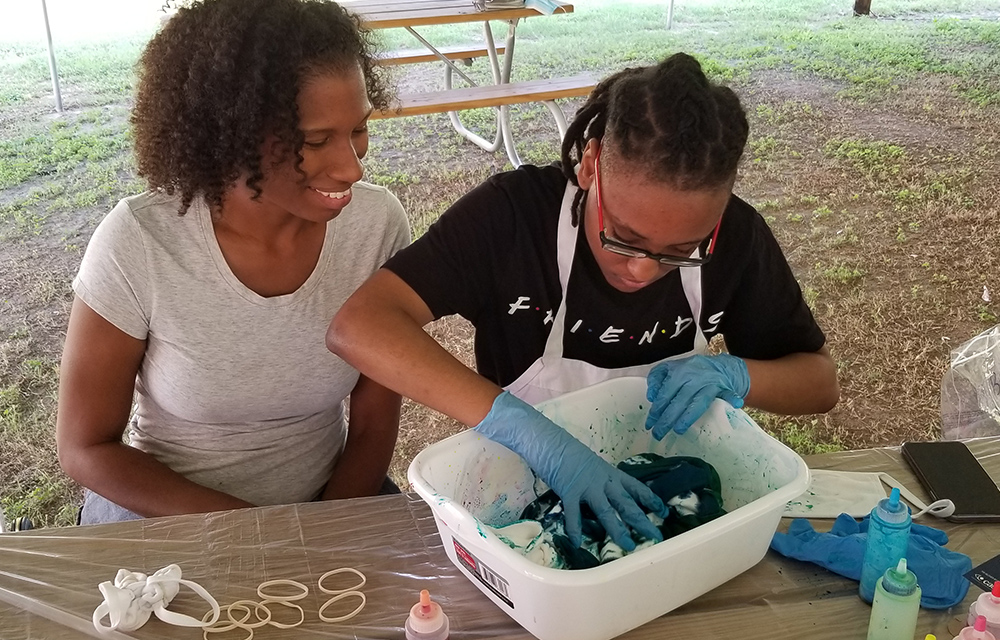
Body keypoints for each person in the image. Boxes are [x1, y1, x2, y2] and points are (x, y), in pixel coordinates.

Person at [328, 53, 839, 550]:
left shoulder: (739, 239)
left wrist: (740, 375)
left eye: (681, 251)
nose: (642, 269)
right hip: (526, 490)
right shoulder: (513, 218)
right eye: (623, 236)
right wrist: (529, 432)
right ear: (592, 164)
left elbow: (819, 383)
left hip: (662, 491)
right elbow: (360, 326)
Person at [56, 0, 410, 525]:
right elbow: (85, 447)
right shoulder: (141, 241)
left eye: (358, 129)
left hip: (330, 506)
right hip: (165, 516)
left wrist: (322, 535)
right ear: (233, 133)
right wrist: (263, 535)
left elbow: (374, 423)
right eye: (315, 141)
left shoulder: (375, 227)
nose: (351, 168)